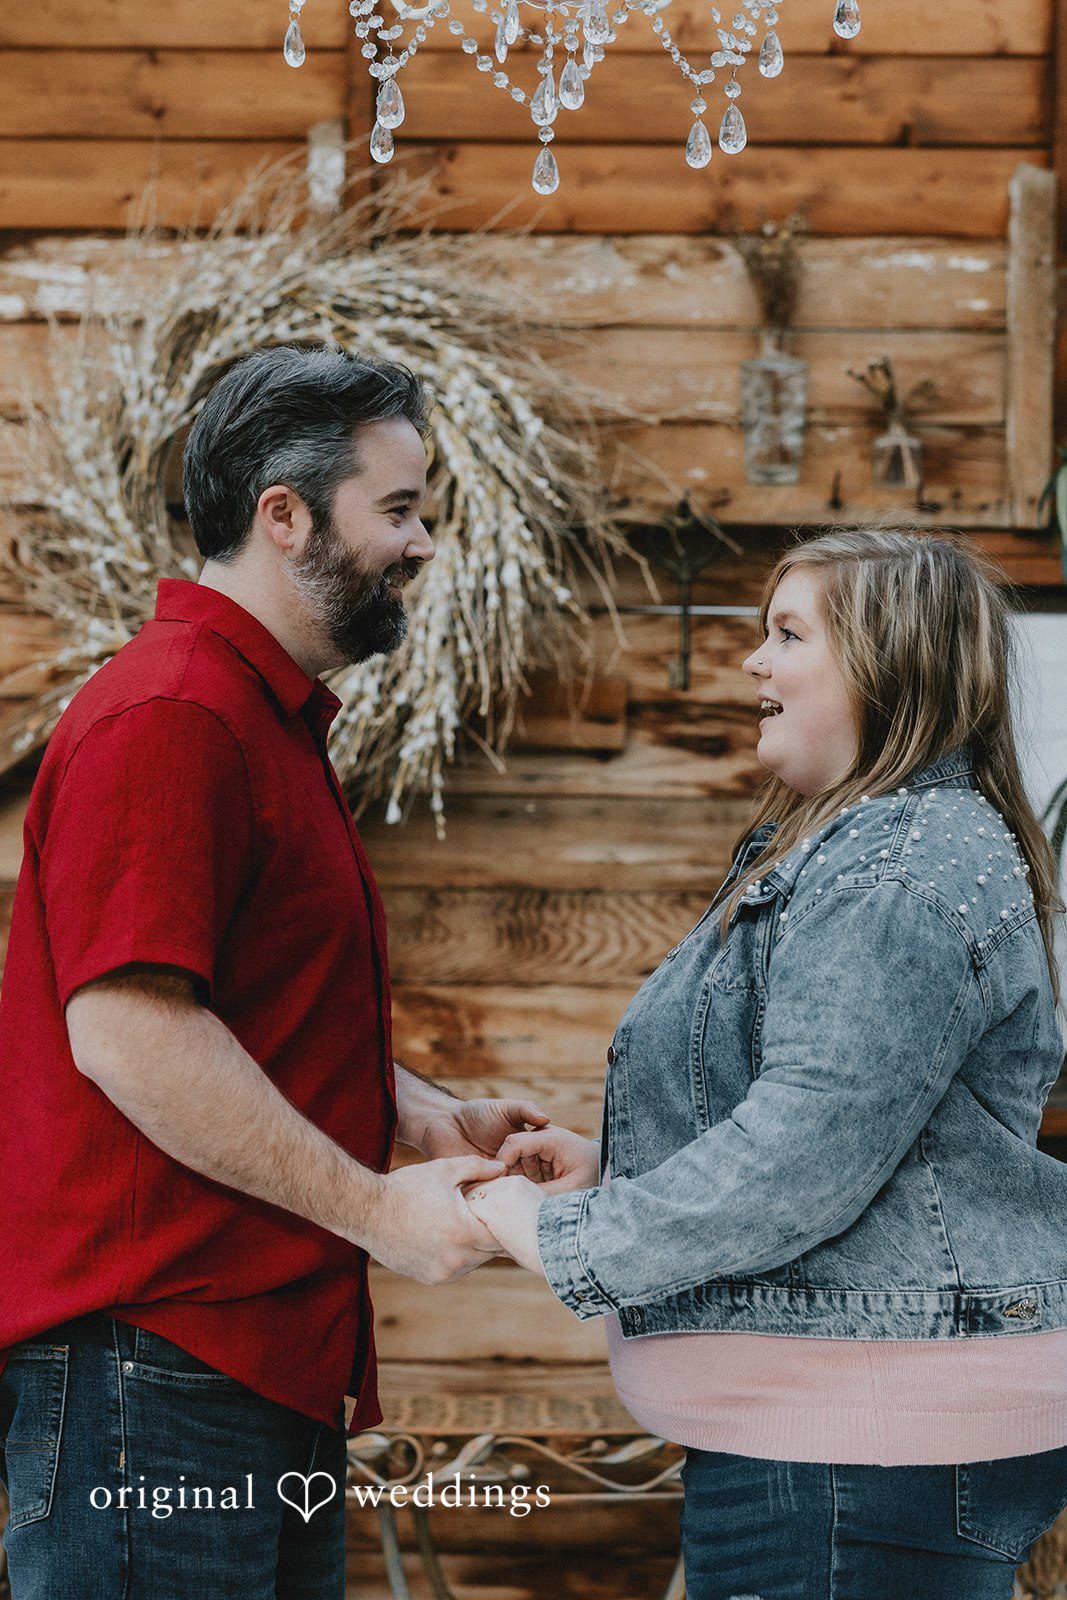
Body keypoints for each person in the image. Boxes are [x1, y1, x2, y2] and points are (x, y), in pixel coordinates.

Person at [0, 346, 547, 1600]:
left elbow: (232, 1004)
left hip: (239, 1367)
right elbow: (130, 1031)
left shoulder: (261, 718)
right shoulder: (174, 715)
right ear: (282, 515)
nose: (420, 544)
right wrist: (373, 1209)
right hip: (157, 1364)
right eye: (398, 510)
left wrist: (410, 1109)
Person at [469, 527, 1067, 1600]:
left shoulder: (898, 866)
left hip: (857, 1449)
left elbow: (802, 1155)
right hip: (834, 1438)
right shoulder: (860, 845)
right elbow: (859, 1130)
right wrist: (616, 1166)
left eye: (787, 633)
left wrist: (557, 1237)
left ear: (888, 661)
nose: (753, 661)